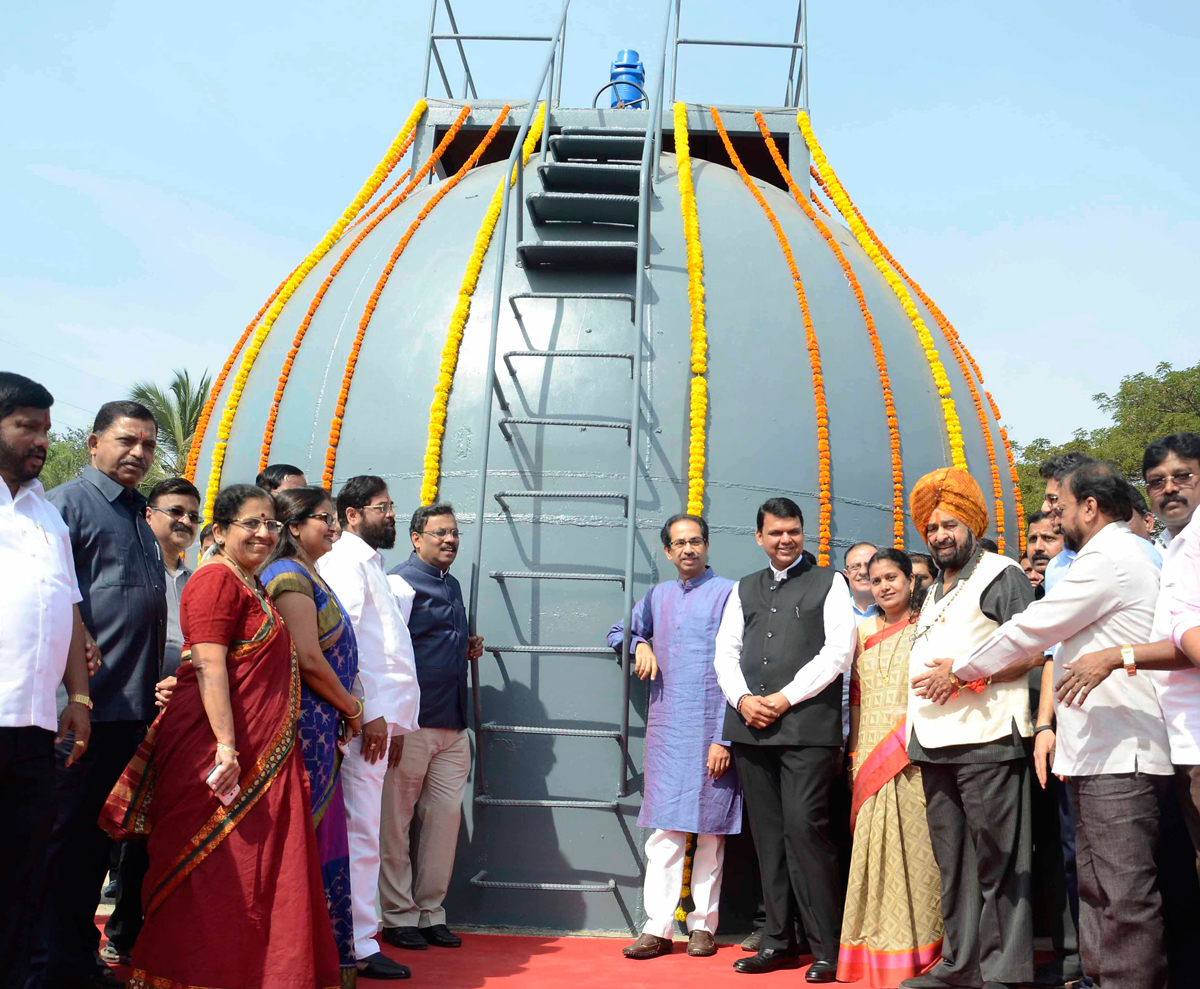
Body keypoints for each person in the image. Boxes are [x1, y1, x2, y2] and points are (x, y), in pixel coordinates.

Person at [99, 484, 340, 988]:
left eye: (271, 524)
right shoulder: (215, 579)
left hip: (259, 749)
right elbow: (208, 663)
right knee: (211, 870)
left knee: (256, 870)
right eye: (251, 523)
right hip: (215, 748)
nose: (263, 533)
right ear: (221, 530)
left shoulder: (250, 582)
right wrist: (228, 747)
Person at [953, 460, 1170, 989]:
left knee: (1123, 896)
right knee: (1096, 890)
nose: (1053, 513)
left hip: (1124, 751)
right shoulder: (1108, 554)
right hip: (1099, 749)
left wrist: (959, 671)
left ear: (1090, 507)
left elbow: (1034, 627)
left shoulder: (1111, 557)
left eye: (1059, 503)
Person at [31, 400, 166, 989]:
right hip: (77, 714)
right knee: (54, 845)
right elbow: (54, 605)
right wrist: (75, 698)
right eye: (125, 441)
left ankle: (72, 959)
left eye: (147, 444)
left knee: (91, 846)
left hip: (127, 712)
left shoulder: (139, 513)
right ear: (92, 442)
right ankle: (41, 964)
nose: (137, 453)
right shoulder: (65, 507)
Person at [902, 467, 1038, 989]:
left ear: (973, 524)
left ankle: (1005, 973)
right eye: (932, 527)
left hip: (988, 740)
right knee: (953, 863)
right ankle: (961, 967)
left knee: (997, 861)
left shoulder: (1001, 574)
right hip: (935, 744)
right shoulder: (934, 587)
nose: (939, 535)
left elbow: (1031, 653)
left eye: (950, 524)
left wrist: (962, 674)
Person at [713, 497, 855, 980]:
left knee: (806, 832)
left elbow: (838, 652)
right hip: (751, 728)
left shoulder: (829, 582)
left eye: (793, 531)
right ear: (759, 537)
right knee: (768, 839)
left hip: (806, 730)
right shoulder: (743, 588)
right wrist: (742, 699)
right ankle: (778, 942)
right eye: (775, 532)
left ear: (803, 533)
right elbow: (725, 653)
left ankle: (826, 948)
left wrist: (785, 698)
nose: (785, 539)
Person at [607, 513, 740, 960]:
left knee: (710, 833)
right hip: (668, 733)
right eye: (680, 543)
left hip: (712, 729)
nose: (688, 549)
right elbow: (616, 632)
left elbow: (741, 668)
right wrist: (639, 644)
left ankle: (703, 926)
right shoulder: (657, 597)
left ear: (707, 546)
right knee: (665, 834)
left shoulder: (728, 594)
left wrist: (725, 737)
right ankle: (658, 927)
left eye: (696, 541)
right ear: (668, 551)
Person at [0, 373, 92, 989]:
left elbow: (69, 610)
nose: (40, 441)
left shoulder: (45, 516)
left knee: (21, 877)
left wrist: (79, 697)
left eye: (46, 430)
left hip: (33, 727)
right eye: (25, 426)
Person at [317, 476, 420, 980]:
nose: (392, 515)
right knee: (360, 830)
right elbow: (345, 642)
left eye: (392, 506)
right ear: (352, 514)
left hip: (380, 721)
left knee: (367, 831)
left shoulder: (369, 563)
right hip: (363, 721)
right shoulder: (344, 562)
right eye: (384, 507)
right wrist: (369, 711)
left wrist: (394, 720)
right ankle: (357, 943)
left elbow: (389, 650)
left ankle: (361, 934)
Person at [262, 486, 365, 985]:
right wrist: (353, 708)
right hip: (305, 731)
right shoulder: (287, 577)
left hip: (324, 728)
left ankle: (323, 960)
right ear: (293, 525)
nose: (334, 526)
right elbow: (306, 658)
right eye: (323, 518)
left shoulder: (310, 575)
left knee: (325, 839)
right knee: (308, 840)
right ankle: (299, 965)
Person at [101, 476, 202, 968]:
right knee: (106, 833)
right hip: (122, 710)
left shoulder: (195, 578)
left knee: (149, 836)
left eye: (192, 516)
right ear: (149, 514)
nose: (184, 522)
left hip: (174, 720)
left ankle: (131, 934)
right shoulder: (128, 570)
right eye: (175, 511)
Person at [380, 503, 483, 951]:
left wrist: (464, 645)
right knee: (395, 825)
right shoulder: (397, 583)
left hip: (453, 727)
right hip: (412, 726)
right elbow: (386, 654)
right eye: (439, 533)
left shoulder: (452, 584)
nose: (450, 540)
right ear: (416, 538)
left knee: (443, 826)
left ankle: (430, 913)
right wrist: (392, 724)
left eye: (455, 533)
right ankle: (397, 916)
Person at [839, 548, 943, 985]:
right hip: (869, 759)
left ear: (910, 580)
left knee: (918, 858)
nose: (883, 586)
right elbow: (857, 697)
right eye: (875, 579)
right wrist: (854, 754)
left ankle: (925, 951)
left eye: (891, 578)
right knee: (871, 855)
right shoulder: (862, 632)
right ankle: (875, 949)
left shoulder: (927, 629)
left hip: (912, 756)